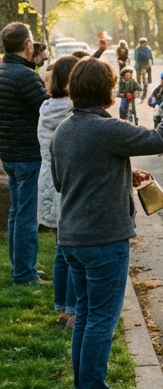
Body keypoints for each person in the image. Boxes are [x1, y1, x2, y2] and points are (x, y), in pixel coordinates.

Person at [50, 57, 163, 389]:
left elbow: (65, 182)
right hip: (103, 240)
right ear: (107, 90)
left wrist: (121, 172)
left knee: (87, 315)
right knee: (100, 320)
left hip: (72, 239)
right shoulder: (105, 128)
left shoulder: (65, 129)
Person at [0, 21, 51, 285]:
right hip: (27, 155)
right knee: (26, 216)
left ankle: (19, 267)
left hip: (9, 153)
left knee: (16, 213)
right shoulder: (26, 76)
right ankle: (24, 274)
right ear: (27, 45)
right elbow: (47, 112)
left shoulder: (3, 71)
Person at [38, 56, 78, 327]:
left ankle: (63, 309)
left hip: (47, 183)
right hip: (68, 185)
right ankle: (74, 311)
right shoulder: (74, 110)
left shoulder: (45, 107)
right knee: (74, 253)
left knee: (61, 250)